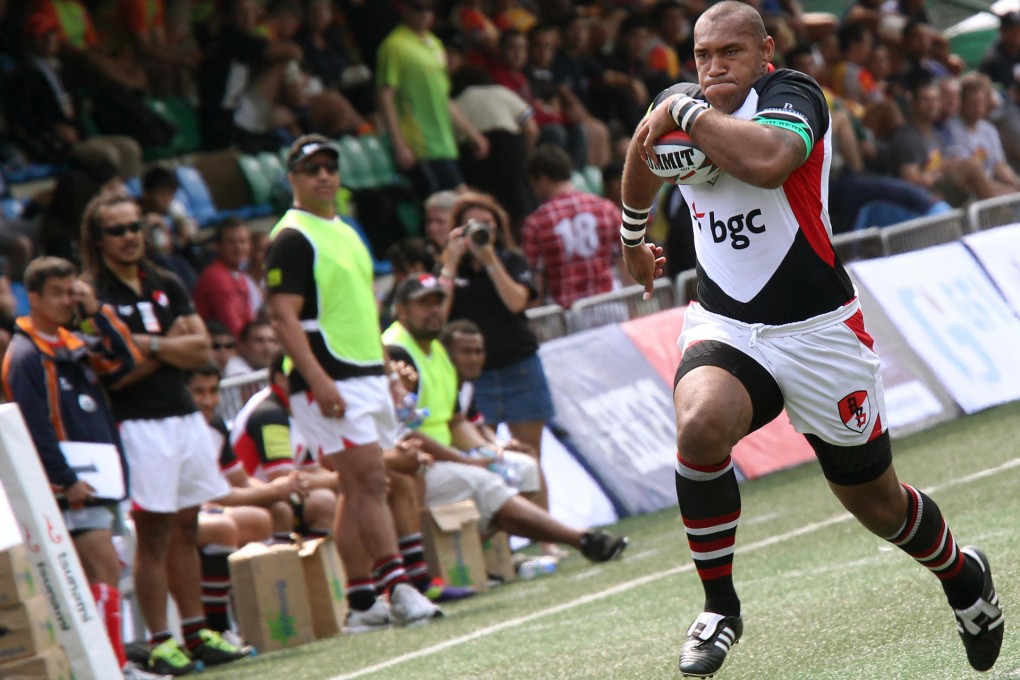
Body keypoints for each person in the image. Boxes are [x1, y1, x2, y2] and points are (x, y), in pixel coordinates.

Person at [622, 2, 1003, 676]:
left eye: (730, 53)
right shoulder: (682, 103)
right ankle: (719, 608)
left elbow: (768, 163)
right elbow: (642, 151)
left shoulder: (794, 96)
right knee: (701, 423)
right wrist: (630, 234)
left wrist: (686, 116)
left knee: (878, 505)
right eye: (703, 55)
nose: (713, 67)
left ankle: (962, 574)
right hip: (729, 324)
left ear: (765, 51)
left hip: (821, 332)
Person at [264, 133, 440, 627]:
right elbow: (282, 318)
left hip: (362, 372)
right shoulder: (291, 236)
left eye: (330, 166)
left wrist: (389, 375)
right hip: (329, 376)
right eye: (311, 167)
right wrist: (317, 379)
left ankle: (362, 603)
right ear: (293, 177)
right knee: (369, 479)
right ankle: (398, 587)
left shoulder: (344, 229)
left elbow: (360, 313)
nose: (324, 175)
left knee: (356, 485)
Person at [81, 191, 251, 676]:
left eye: (136, 227)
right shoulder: (93, 293)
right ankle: (160, 640)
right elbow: (112, 371)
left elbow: (200, 351)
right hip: (136, 424)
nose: (131, 237)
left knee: (188, 529)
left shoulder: (166, 280)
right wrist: (166, 347)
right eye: (118, 230)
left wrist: (147, 346)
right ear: (97, 238)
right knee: (153, 536)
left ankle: (196, 633)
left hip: (182, 417)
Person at [382, 274, 628, 565]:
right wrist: (469, 461)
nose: (434, 310)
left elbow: (455, 420)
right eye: (424, 304)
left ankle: (495, 557)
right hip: (416, 463)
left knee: (521, 467)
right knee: (485, 481)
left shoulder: (436, 349)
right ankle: (579, 539)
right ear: (401, 310)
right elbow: (405, 433)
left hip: (445, 456)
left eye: (438, 302)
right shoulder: (396, 352)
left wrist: (492, 451)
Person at [0, 256, 169, 680]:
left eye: (70, 291)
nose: (64, 301)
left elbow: (124, 360)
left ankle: (111, 664)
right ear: (32, 298)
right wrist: (66, 480)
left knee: (100, 573)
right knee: (102, 570)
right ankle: (113, 666)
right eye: (56, 293)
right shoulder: (25, 356)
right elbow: (33, 426)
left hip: (101, 478)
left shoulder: (71, 344)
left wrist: (95, 311)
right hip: (74, 486)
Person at [437, 191, 561, 556]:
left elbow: (516, 301)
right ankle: (499, 552)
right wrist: (451, 262)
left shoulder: (510, 259)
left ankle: (547, 541)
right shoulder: (449, 270)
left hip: (518, 366)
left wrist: (490, 258)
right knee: (483, 460)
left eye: (488, 225)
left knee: (531, 459)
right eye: (473, 225)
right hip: (473, 380)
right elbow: (436, 317)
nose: (481, 232)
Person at [375, 0, 489, 199]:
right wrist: (399, 144)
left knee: (452, 206)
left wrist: (472, 134)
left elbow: (444, 98)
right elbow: (385, 97)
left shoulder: (435, 44)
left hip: (445, 143)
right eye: (418, 7)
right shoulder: (394, 45)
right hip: (419, 145)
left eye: (430, 9)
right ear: (405, 9)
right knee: (455, 202)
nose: (424, 14)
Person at [521, 144, 625, 309]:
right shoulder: (606, 209)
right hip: (611, 305)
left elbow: (537, 282)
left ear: (542, 179)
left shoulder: (536, 224)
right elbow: (625, 262)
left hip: (567, 317)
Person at [192, 217, 260, 340]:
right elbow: (234, 328)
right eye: (231, 242)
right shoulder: (216, 277)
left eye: (243, 241)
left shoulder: (239, 274)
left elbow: (249, 321)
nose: (238, 248)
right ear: (217, 246)